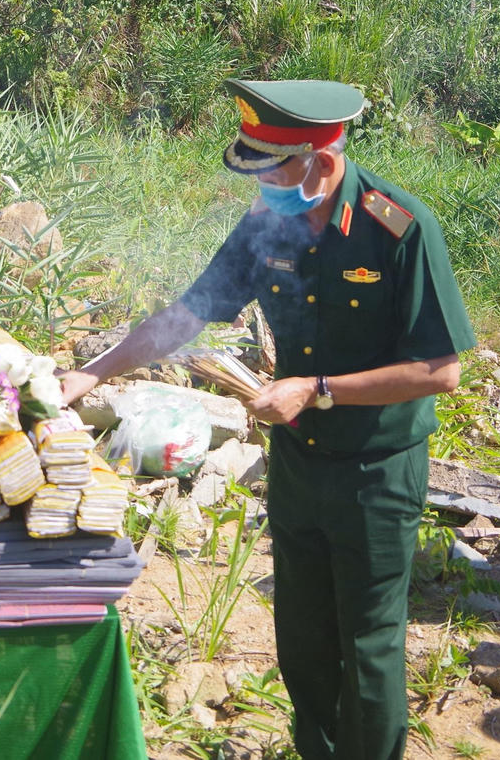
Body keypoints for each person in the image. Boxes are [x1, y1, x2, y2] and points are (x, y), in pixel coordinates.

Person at [59, 78, 476, 760]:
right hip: (299, 464)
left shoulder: (397, 226)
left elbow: (441, 371)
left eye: (275, 170)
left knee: (368, 649)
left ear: (323, 156)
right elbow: (185, 316)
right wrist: (93, 372)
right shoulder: (267, 225)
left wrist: (315, 389)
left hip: (376, 473)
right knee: (304, 641)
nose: (262, 189)